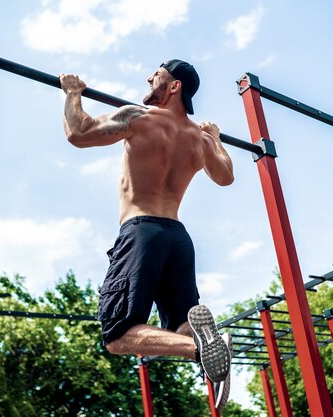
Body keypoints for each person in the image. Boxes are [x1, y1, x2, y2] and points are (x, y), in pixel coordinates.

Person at [59, 59, 234, 409]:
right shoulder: (199, 140)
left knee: (117, 334)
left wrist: (72, 94)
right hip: (178, 239)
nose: (148, 77)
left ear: (174, 87)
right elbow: (226, 175)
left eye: (157, 74)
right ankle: (204, 344)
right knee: (184, 325)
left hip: (142, 233)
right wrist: (215, 139)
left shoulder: (138, 118)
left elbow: (78, 133)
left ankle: (202, 347)